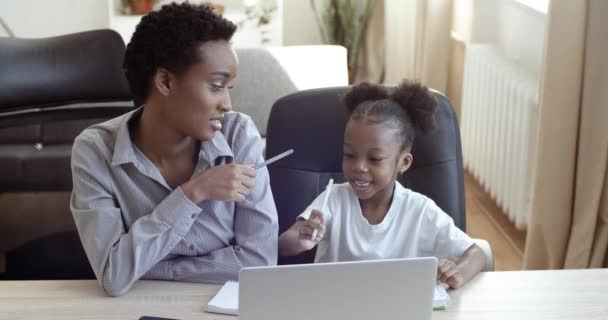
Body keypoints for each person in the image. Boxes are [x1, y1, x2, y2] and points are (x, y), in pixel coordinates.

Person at [70, 3, 277, 297]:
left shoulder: (239, 135)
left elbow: (259, 263)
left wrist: (153, 268)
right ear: (166, 82)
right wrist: (192, 194)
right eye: (217, 85)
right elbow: (113, 275)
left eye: (229, 88)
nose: (227, 105)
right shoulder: (95, 150)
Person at [278, 81, 486, 289]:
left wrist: (458, 272)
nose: (359, 167)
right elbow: (282, 246)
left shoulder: (420, 210)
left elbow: (477, 254)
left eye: (375, 159)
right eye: (350, 155)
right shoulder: (333, 199)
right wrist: (297, 240)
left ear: (403, 162)